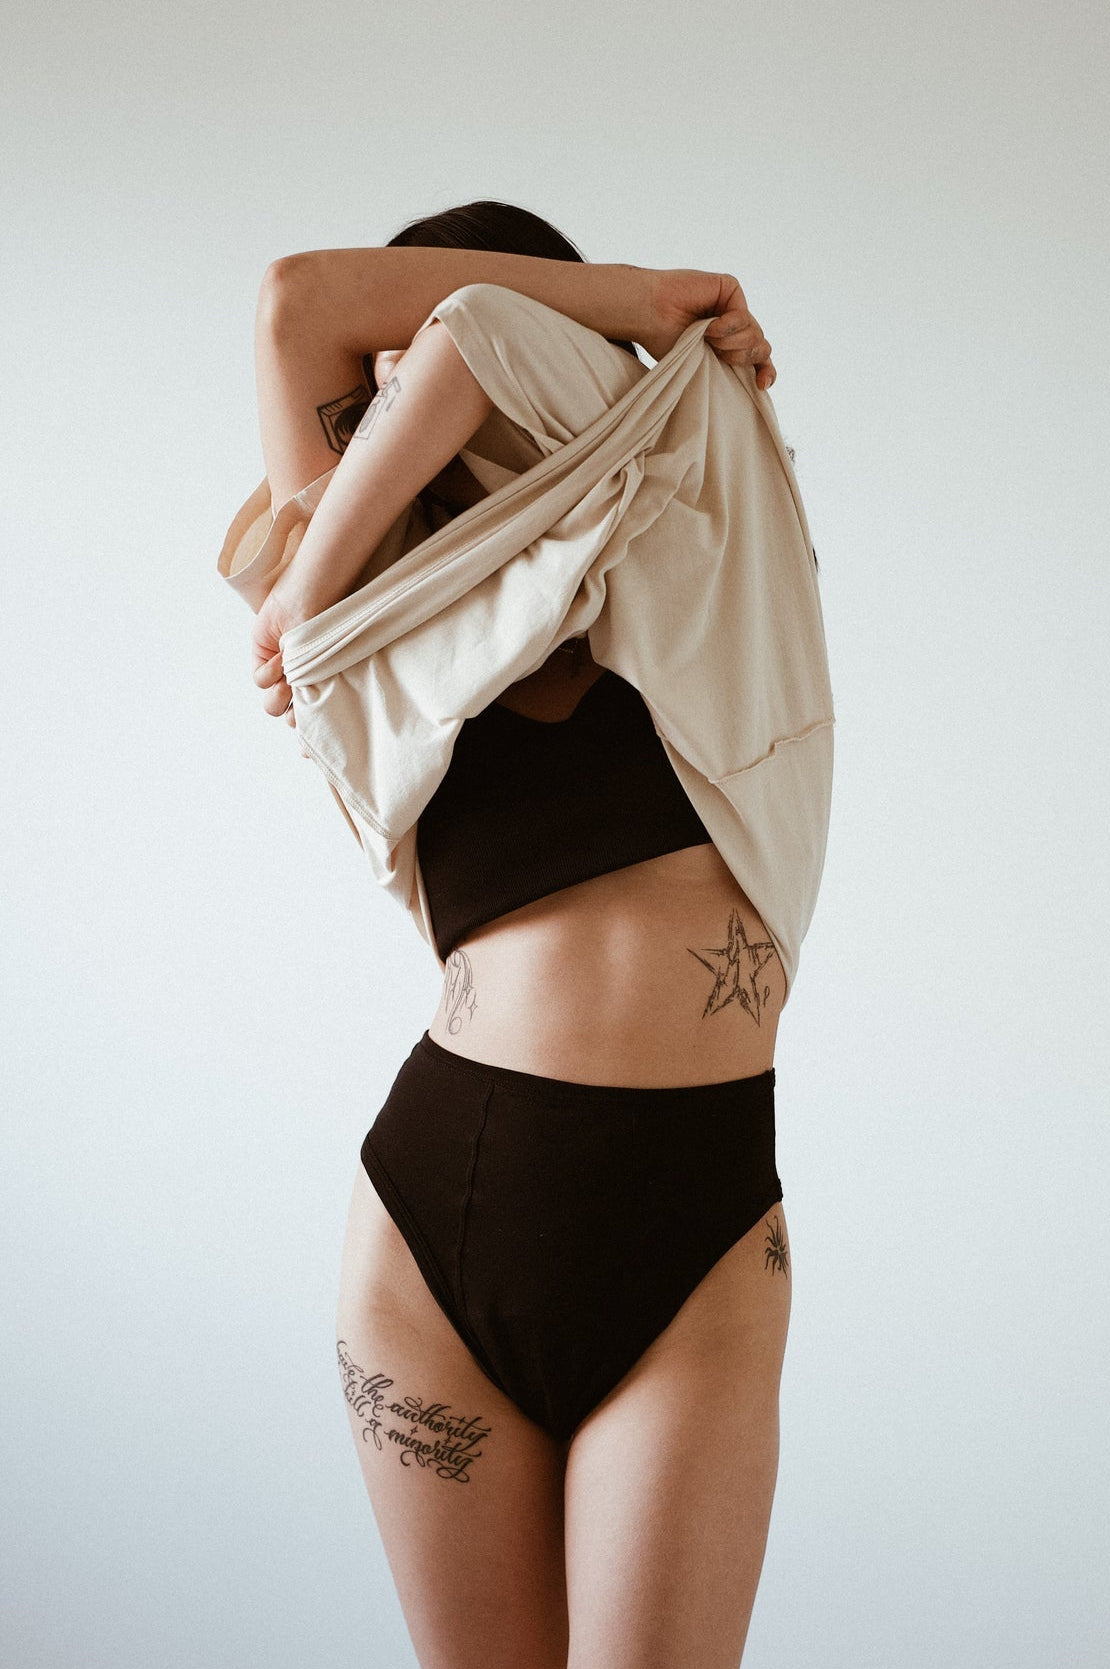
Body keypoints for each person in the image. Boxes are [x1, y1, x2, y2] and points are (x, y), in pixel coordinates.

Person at [244, 200, 812, 1669]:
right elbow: (299, 306)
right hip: (437, 1227)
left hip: (692, 1230)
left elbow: (473, 341)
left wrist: (638, 300)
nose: (402, 426)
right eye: (380, 403)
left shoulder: (689, 489)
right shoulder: (378, 591)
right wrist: (318, 577)